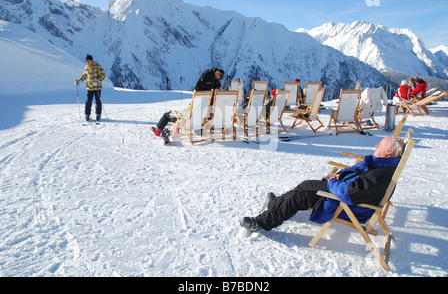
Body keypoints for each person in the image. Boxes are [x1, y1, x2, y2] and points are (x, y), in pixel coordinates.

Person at [240, 135, 405, 232]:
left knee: (298, 198)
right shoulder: (381, 165)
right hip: (341, 190)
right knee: (306, 184)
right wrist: (339, 177)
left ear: (389, 151)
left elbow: (350, 194)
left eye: (380, 144)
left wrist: (334, 183)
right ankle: (275, 204)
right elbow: (356, 178)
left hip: (343, 204)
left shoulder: (380, 174)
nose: (376, 145)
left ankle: (262, 222)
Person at [150, 68, 224, 136]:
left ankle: (158, 131)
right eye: (218, 77)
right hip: (196, 120)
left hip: (186, 120)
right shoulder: (206, 109)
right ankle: (176, 127)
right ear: (216, 73)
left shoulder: (195, 106)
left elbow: (184, 113)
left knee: (167, 115)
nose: (218, 79)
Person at [75, 55, 106, 122]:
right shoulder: (86, 67)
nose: (87, 63)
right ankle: (87, 114)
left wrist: (98, 81)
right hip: (89, 87)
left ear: (92, 60)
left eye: (88, 61)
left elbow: (103, 76)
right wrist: (79, 80)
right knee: (88, 101)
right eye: (86, 61)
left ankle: (98, 114)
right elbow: (84, 76)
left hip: (97, 87)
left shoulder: (98, 66)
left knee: (98, 101)